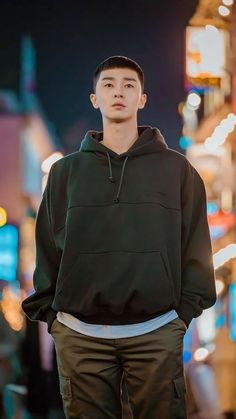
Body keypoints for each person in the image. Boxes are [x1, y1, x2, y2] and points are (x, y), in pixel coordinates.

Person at [22, 55, 216, 419]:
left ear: (143, 98)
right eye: (108, 85)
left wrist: (181, 316)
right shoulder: (65, 173)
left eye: (129, 85)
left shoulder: (178, 171)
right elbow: (48, 249)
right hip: (80, 335)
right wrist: (55, 318)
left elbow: (196, 250)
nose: (118, 92)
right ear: (94, 98)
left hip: (157, 331)